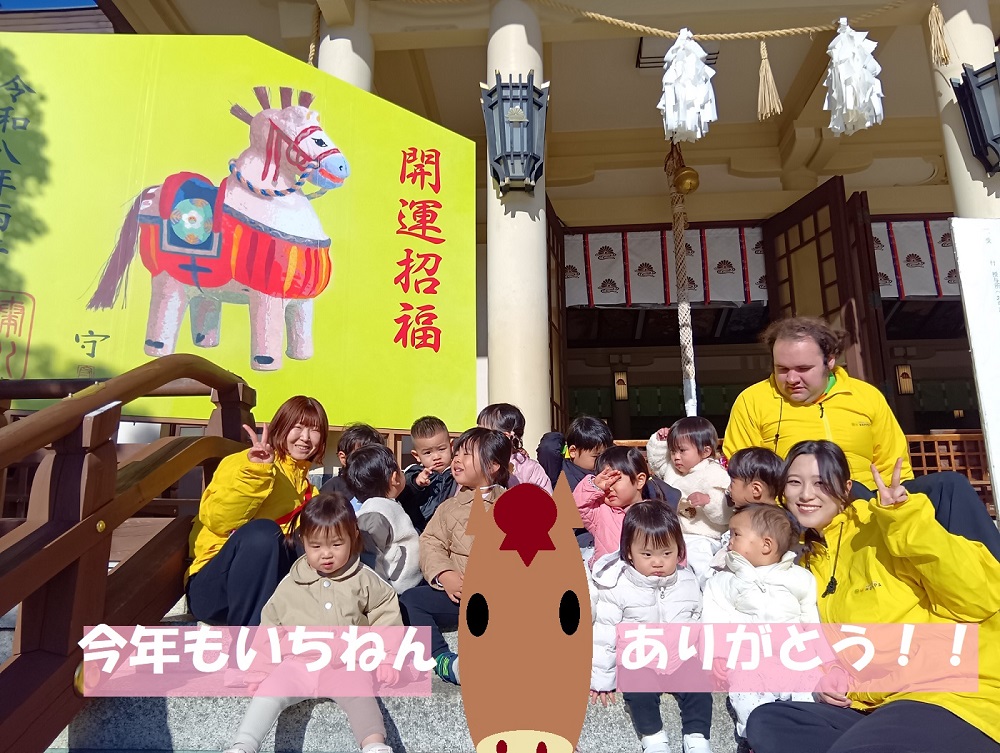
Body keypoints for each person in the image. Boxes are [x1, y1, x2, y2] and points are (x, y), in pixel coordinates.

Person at [746, 440, 1000, 753]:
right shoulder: (804, 560)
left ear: (846, 488)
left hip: (946, 691)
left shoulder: (885, 524)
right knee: (769, 722)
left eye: (821, 483)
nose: (806, 494)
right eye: (795, 482)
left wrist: (906, 522)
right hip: (875, 703)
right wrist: (827, 676)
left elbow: (982, 597)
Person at [724, 315, 1000, 562]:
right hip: (800, 507)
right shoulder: (753, 401)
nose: (791, 378)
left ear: (830, 361)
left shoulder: (866, 397)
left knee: (949, 486)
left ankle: (991, 571)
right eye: (782, 369)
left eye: (803, 368)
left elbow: (894, 463)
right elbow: (742, 474)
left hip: (868, 500)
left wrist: (895, 500)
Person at [223, 493, 400, 753]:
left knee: (361, 694)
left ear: (353, 536)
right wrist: (261, 669)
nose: (326, 554)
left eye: (336, 544)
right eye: (315, 546)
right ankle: (244, 744)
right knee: (268, 693)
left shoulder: (365, 579)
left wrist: (387, 658)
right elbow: (271, 628)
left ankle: (374, 745)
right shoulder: (291, 584)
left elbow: (386, 616)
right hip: (297, 664)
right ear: (303, 540)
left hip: (346, 663)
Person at [186, 395, 327, 626]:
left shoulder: (311, 493)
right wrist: (256, 473)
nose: (305, 437)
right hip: (215, 589)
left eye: (314, 430)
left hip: (268, 592)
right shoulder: (246, 463)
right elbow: (218, 520)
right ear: (281, 427)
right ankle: (251, 639)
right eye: (298, 427)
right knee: (263, 533)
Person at [589, 502, 713, 753]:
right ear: (629, 552)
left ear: (679, 550)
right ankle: (654, 738)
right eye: (647, 554)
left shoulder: (687, 581)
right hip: (640, 659)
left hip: (678, 656)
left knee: (699, 685)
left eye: (666, 553)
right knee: (638, 688)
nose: (657, 562)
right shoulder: (618, 586)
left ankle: (697, 738)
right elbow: (605, 635)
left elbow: (697, 619)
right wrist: (602, 680)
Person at [399, 427, 512, 685]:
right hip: (458, 596)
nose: (457, 459)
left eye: (467, 454)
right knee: (410, 601)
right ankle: (443, 660)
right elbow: (431, 542)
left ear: (493, 465)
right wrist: (444, 574)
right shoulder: (448, 507)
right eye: (457, 453)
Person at [702, 504, 818, 751]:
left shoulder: (799, 578)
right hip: (750, 659)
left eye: (736, 534)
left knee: (809, 687)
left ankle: (807, 738)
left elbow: (810, 619)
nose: (729, 540)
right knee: (745, 692)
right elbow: (715, 618)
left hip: (793, 657)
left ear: (766, 545)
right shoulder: (725, 581)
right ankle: (756, 740)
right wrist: (718, 653)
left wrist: (820, 656)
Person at [647, 417, 731, 585]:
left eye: (682, 451)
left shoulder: (713, 473)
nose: (676, 457)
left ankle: (708, 587)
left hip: (703, 536)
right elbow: (657, 462)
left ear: (705, 451)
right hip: (675, 534)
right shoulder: (673, 469)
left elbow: (726, 512)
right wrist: (661, 441)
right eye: (672, 451)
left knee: (698, 561)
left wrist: (708, 501)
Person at [344, 444, 422, 593]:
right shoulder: (375, 512)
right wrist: (380, 593)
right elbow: (368, 557)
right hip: (392, 590)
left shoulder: (386, 505)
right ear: (395, 478)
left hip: (404, 585)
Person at [573, 446, 655, 569]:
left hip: (643, 576)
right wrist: (594, 485)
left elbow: (671, 547)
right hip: (606, 576)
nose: (608, 487)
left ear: (639, 480)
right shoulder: (601, 511)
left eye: (615, 480)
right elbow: (576, 506)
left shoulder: (656, 514)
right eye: (605, 481)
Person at [708, 447, 783, 573]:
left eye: (732, 483)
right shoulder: (779, 520)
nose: (728, 489)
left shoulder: (762, 524)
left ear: (756, 490)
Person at [397, 415, 457, 533]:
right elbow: (403, 493)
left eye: (441, 449)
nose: (436, 457)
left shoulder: (457, 473)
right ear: (417, 456)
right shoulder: (415, 473)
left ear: (451, 446)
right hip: (419, 531)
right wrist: (416, 483)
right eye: (428, 452)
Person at [478, 402, 553, 493]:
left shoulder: (530, 468)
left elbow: (546, 499)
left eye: (482, 431)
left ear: (505, 436)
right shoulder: (475, 461)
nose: (476, 435)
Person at [537, 415, 614, 491]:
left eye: (606, 456)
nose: (603, 461)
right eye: (596, 457)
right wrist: (563, 440)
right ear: (573, 451)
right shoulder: (558, 471)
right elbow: (547, 447)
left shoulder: (607, 474)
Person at [320, 423, 386, 511]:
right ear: (343, 458)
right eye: (362, 455)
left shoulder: (383, 489)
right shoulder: (331, 490)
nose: (369, 461)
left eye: (374, 456)